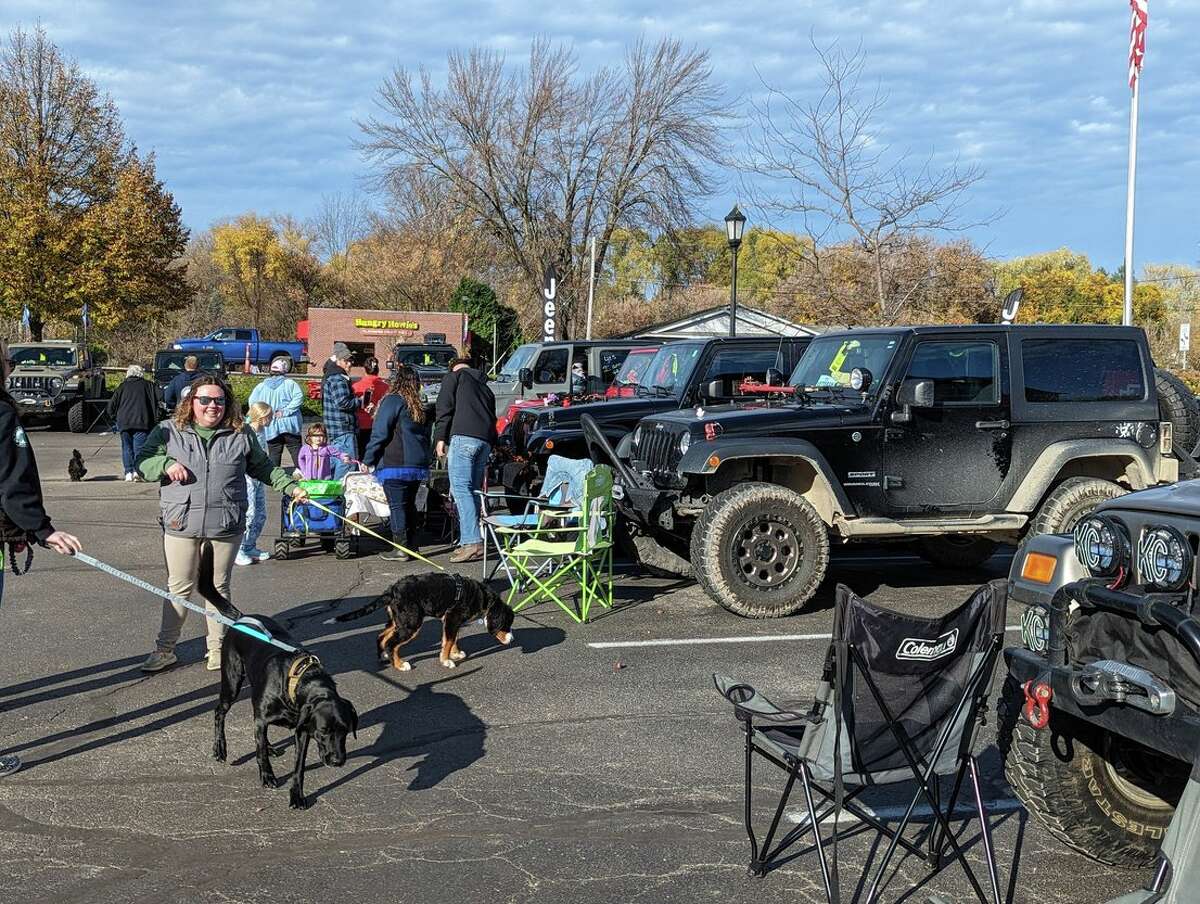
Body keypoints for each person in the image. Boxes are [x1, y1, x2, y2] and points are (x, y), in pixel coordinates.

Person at [136, 375, 307, 673]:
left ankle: (217, 650)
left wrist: (290, 487)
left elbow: (263, 467)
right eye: (205, 400)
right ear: (192, 402)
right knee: (179, 587)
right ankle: (165, 650)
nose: (212, 406)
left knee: (218, 587)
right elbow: (143, 461)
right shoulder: (168, 431)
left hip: (225, 524)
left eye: (219, 400)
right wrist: (165, 464)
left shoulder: (240, 434)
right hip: (181, 522)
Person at [0, 338, 83, 777]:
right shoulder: (1, 414)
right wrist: (41, 529)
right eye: (7, 358)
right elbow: (12, 482)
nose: (12, 363)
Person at [364, 364, 432, 562]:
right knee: (409, 504)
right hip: (417, 463)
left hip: (396, 462)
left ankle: (400, 548)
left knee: (397, 506)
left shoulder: (393, 400)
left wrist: (368, 459)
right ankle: (412, 545)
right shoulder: (418, 404)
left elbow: (380, 432)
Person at [434, 356, 497, 563]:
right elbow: (492, 417)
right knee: (474, 490)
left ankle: (472, 542)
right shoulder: (485, 387)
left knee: (461, 489)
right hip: (484, 441)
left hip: (463, 437)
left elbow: (444, 408)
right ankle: (470, 540)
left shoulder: (455, 377)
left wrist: (440, 437)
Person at [247, 356, 304, 469]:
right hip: (290, 425)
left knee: (274, 452)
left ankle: (274, 479)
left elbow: (252, 402)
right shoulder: (290, 384)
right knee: (296, 450)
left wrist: (262, 414)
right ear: (284, 371)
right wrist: (286, 411)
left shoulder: (261, 386)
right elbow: (299, 398)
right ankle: (303, 475)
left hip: (270, 425)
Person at [106, 364, 161, 481]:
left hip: (124, 422)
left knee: (126, 447)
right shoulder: (148, 385)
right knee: (139, 448)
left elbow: (111, 406)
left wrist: (115, 418)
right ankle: (137, 471)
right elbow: (161, 396)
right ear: (141, 373)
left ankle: (128, 473)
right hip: (142, 421)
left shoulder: (122, 386)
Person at [238, 402, 274, 566]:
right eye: (269, 416)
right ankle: (238, 549)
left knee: (260, 513)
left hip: (259, 478)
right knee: (249, 513)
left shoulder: (262, 431)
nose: (271, 419)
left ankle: (249, 545)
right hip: (248, 478)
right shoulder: (248, 430)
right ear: (261, 416)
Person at [322, 343, 359, 480]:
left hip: (335, 431)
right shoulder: (338, 378)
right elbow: (343, 403)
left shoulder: (330, 376)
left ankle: (330, 498)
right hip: (343, 430)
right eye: (347, 361)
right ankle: (340, 498)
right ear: (339, 361)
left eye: (350, 361)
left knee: (334, 465)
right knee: (346, 469)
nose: (350, 364)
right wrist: (360, 401)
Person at [353, 356, 389, 458]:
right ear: (378, 369)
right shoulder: (386, 387)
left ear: (364, 369)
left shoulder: (356, 386)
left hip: (361, 424)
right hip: (379, 424)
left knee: (362, 454)